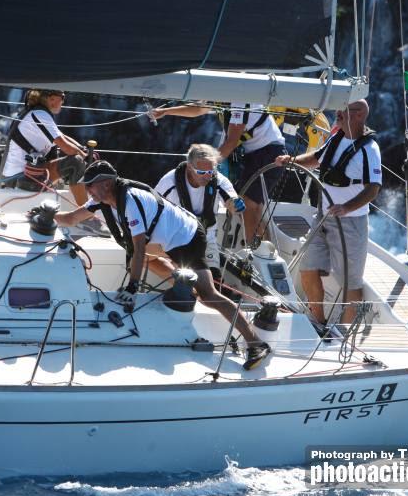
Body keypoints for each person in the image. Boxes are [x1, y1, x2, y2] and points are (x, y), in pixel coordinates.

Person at [54, 160, 271, 370]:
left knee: (208, 294)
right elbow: (72, 218)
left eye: (90, 185)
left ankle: (256, 344)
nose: (87, 189)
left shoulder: (130, 200)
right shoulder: (101, 198)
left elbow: (139, 248)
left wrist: (132, 287)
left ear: (106, 184)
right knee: (141, 258)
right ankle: (183, 282)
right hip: (167, 239)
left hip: (188, 238)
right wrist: (47, 216)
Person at [275, 99, 381, 325]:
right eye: (339, 110)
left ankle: (344, 333)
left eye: (344, 111)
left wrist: (346, 207)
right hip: (322, 217)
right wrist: (292, 162)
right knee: (307, 269)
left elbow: (373, 189)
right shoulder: (337, 137)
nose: (338, 114)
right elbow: (315, 159)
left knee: (350, 282)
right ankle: (319, 322)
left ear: (359, 115)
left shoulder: (370, 150)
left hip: (350, 223)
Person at [153, 102, 287, 244]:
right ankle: (264, 252)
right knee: (253, 210)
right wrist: (166, 111)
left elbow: (231, 142)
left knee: (249, 207)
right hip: (254, 154)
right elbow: (199, 108)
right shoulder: (221, 92)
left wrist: (207, 168)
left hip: (268, 153)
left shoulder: (240, 99)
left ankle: (260, 255)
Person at [155, 144, 246, 278]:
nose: (207, 177)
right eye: (202, 172)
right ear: (190, 167)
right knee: (188, 279)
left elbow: (230, 201)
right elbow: (152, 207)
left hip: (206, 238)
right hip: (176, 238)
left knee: (214, 278)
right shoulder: (169, 182)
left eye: (210, 172)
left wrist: (236, 205)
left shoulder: (218, 180)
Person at [1, 89, 88, 205]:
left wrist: (82, 149)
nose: (63, 101)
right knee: (76, 163)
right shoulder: (40, 115)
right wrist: (86, 159)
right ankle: (86, 215)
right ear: (50, 98)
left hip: (24, 173)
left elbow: (62, 136)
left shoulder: (37, 113)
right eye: (62, 97)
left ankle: (83, 206)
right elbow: (67, 148)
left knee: (77, 159)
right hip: (20, 177)